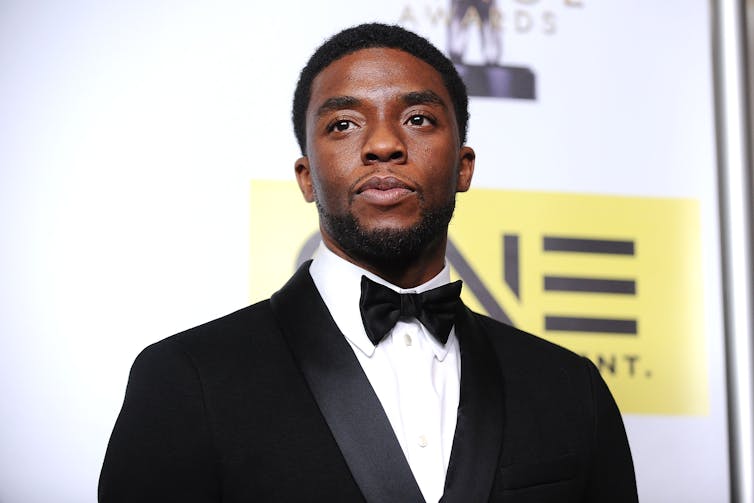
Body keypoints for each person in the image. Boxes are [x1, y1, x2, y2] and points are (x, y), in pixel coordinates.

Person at [99, 23, 637, 502]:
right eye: (344, 125)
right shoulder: (186, 379)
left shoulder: (570, 387)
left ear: (464, 167)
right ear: (306, 177)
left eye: (419, 118)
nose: (383, 144)